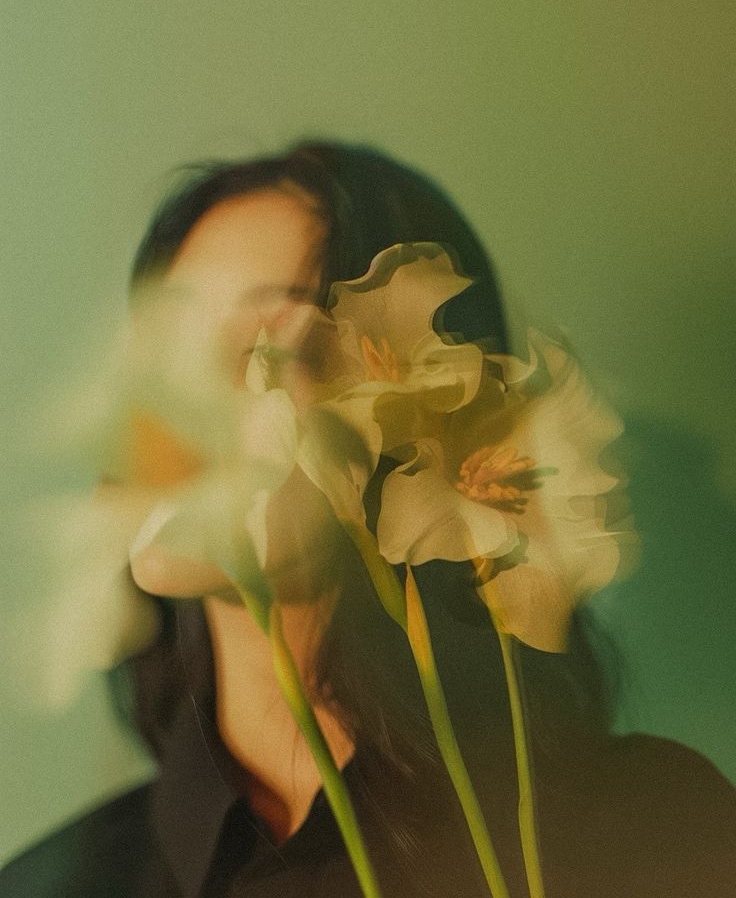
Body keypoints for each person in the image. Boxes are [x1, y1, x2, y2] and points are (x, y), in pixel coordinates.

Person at [3, 141, 735, 898]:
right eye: (166, 345)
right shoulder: (51, 886)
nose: (184, 402)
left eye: (264, 343)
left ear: (430, 414)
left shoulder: (656, 827)